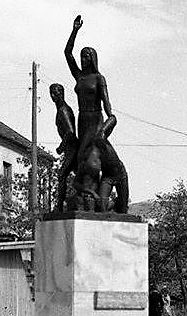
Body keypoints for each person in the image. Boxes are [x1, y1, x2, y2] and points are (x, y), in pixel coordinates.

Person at [64, 15, 129, 213]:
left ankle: (105, 200)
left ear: (92, 59)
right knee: (79, 160)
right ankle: (85, 196)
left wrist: (103, 130)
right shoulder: (79, 76)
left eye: (86, 57)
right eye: (81, 56)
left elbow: (112, 114)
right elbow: (67, 53)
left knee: (93, 159)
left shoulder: (99, 78)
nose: (83, 60)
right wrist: (74, 30)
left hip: (96, 120)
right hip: (82, 121)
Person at [49, 83, 80, 212]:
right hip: (70, 150)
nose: (52, 96)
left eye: (55, 93)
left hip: (72, 149)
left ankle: (59, 207)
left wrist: (61, 147)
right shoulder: (61, 109)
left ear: (61, 94)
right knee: (80, 175)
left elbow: (71, 132)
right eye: (51, 93)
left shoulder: (63, 110)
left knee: (62, 175)